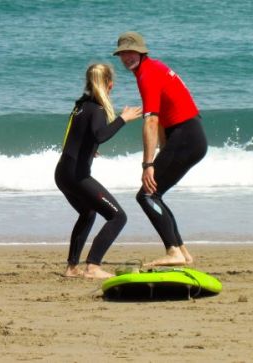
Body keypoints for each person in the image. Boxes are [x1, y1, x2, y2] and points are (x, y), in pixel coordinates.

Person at [113, 31, 207, 267]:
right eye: (122, 53)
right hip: (189, 135)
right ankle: (182, 252)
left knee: (146, 195)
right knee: (155, 194)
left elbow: (152, 121)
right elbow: (164, 114)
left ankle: (173, 251)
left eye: (130, 51)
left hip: (187, 136)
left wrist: (148, 164)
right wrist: (164, 150)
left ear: (142, 51)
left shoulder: (147, 74)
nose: (126, 57)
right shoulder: (153, 69)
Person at [55, 63, 142, 279]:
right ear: (109, 86)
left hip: (62, 173)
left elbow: (77, 135)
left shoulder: (80, 106)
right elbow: (100, 135)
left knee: (88, 213)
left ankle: (71, 267)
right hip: (77, 176)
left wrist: (89, 150)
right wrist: (124, 119)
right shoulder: (98, 110)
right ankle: (93, 266)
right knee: (118, 217)